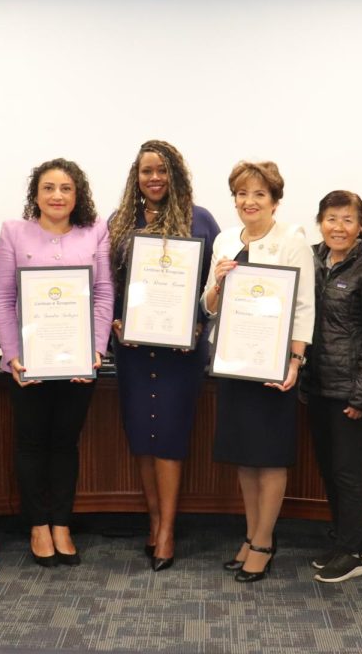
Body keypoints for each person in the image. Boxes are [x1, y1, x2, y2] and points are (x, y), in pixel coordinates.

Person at [0, 158, 113, 566]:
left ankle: (62, 522)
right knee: (30, 442)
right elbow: (3, 298)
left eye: (65, 188)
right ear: (36, 193)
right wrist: (12, 355)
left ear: (77, 195)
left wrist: (95, 348)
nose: (57, 195)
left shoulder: (95, 230)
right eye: (48, 188)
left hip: (79, 361)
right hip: (30, 363)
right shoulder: (13, 231)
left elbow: (103, 294)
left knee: (64, 443)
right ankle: (38, 524)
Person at [107, 140, 220, 571]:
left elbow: (215, 285)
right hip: (134, 350)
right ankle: (153, 522)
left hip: (180, 352)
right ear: (136, 178)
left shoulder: (200, 219)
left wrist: (197, 321)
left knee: (169, 438)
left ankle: (168, 531)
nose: (154, 178)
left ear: (176, 174)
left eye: (162, 170)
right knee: (142, 438)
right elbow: (111, 284)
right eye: (145, 171)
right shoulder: (119, 222)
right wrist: (118, 322)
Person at [202, 160, 315, 584]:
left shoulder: (292, 240)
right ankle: (250, 536)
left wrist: (295, 361)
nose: (249, 202)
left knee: (269, 456)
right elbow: (208, 307)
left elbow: (304, 303)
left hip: (273, 363)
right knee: (244, 456)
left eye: (259, 195)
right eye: (241, 194)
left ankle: (265, 541)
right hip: (233, 361)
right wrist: (216, 283)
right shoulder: (226, 241)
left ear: (275, 201)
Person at [301, 190, 362, 584]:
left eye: (348, 219)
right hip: (315, 384)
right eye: (332, 218)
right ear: (320, 221)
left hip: (350, 390)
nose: (339, 227)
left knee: (347, 472)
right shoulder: (310, 259)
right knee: (329, 469)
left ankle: (354, 553)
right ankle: (343, 542)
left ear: (360, 226)